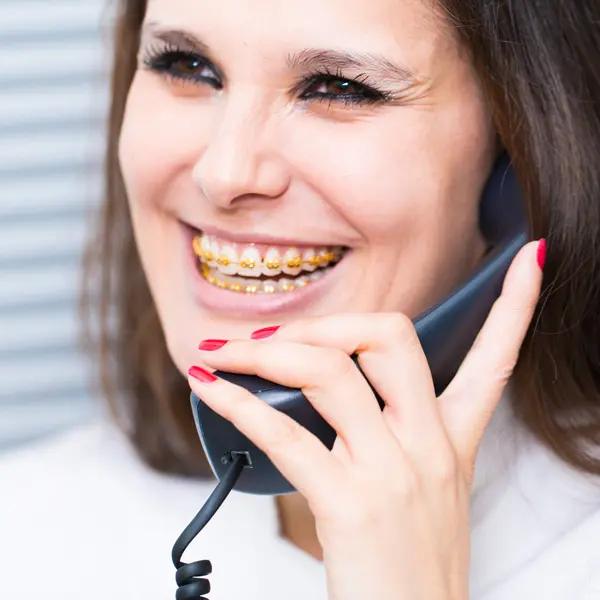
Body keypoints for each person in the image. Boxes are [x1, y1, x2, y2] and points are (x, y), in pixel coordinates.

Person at [1, 0, 600, 598]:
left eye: (340, 87)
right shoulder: (28, 530)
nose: (226, 174)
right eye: (186, 64)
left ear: (513, 163)